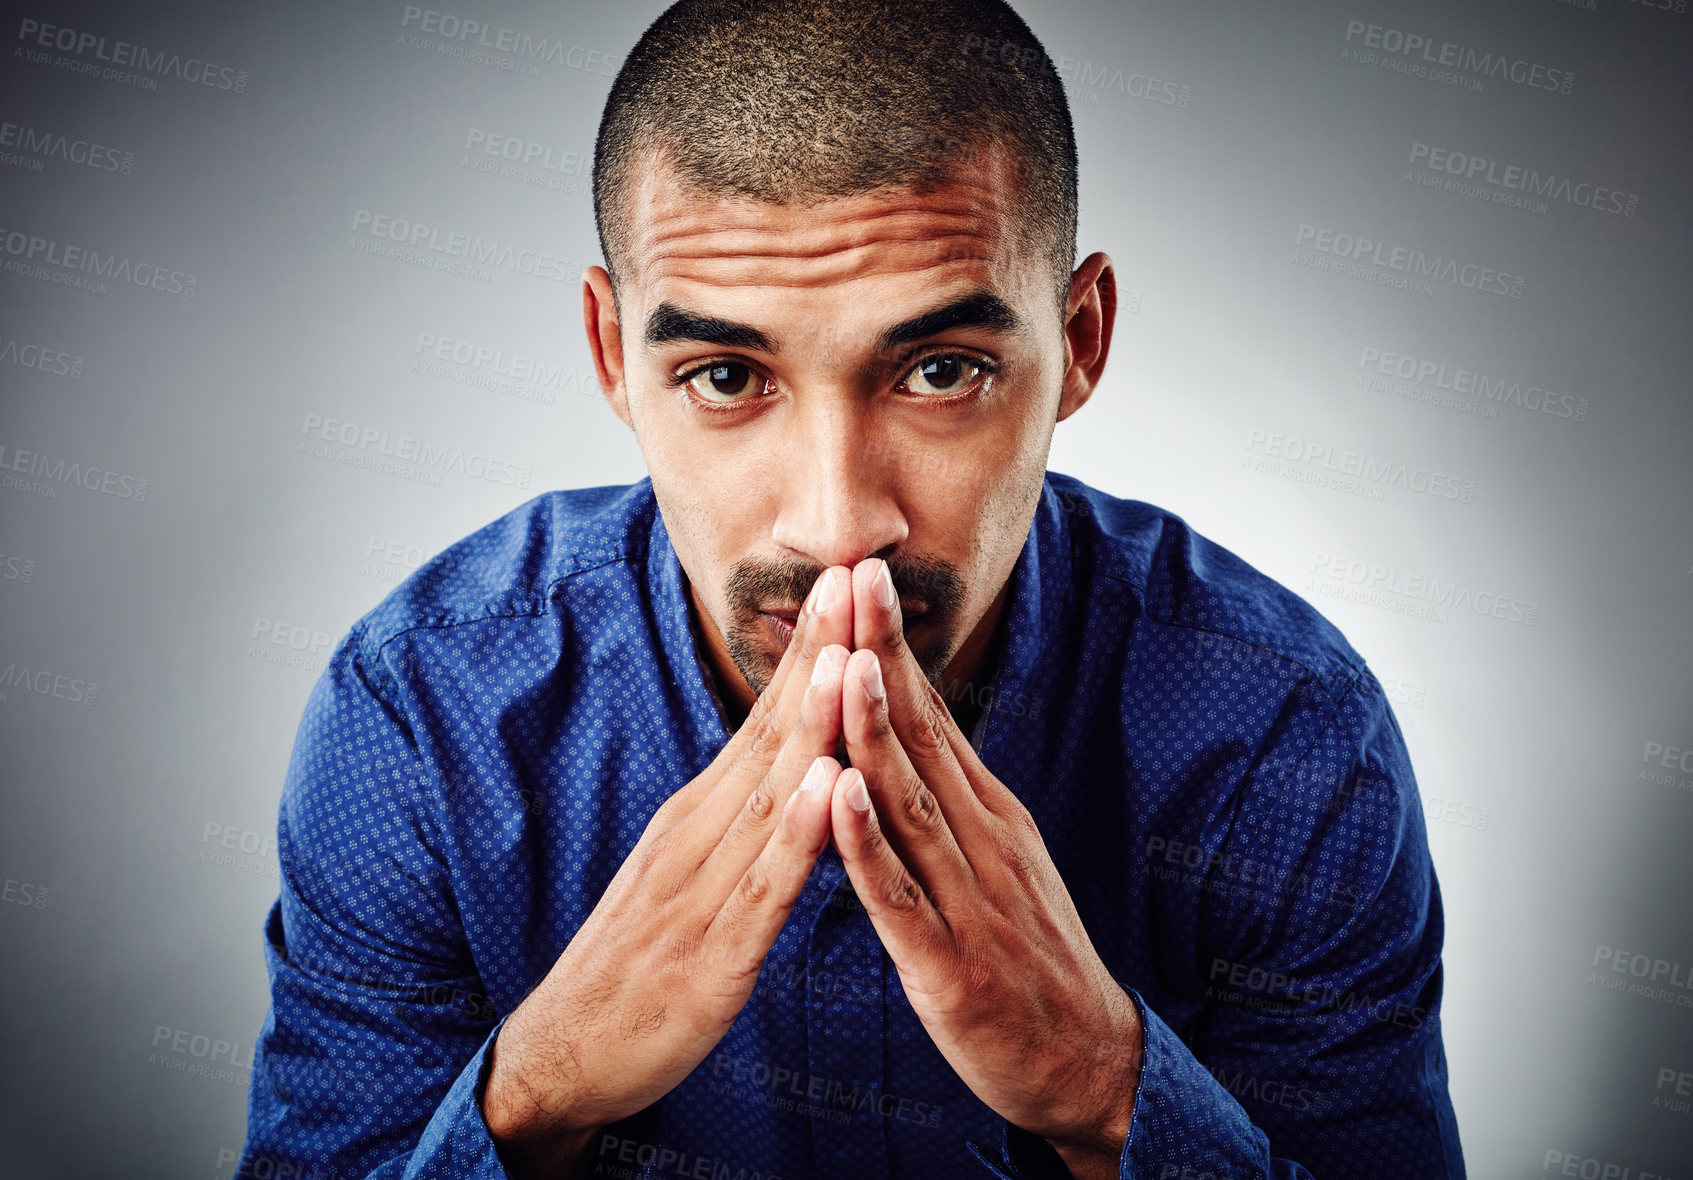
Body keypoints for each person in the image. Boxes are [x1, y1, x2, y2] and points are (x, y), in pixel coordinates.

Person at [239, 0, 1465, 1176]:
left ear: (1079, 340)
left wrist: (1106, 1091)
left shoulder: (1280, 738)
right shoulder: (421, 717)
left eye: (940, 370)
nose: (836, 523)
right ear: (615, 356)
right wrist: (543, 1088)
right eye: (726, 376)